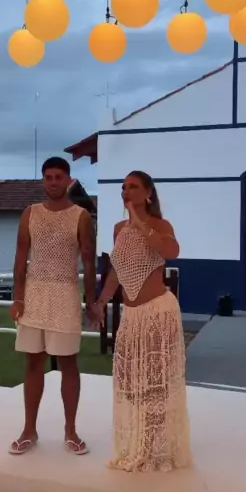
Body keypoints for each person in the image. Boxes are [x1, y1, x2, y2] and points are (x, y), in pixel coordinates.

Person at [94, 171, 192, 472]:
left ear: (148, 193)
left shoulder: (160, 225)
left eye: (133, 186)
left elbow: (172, 252)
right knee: (128, 380)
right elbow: (117, 271)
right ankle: (141, 439)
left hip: (157, 311)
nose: (126, 191)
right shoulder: (118, 229)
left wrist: (140, 223)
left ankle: (154, 447)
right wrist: (100, 302)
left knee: (155, 382)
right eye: (123, 187)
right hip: (131, 315)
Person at [9, 157, 97, 456]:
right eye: (48, 177)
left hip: (65, 295)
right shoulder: (30, 213)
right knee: (33, 363)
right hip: (34, 295)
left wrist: (91, 302)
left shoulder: (80, 216)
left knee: (68, 364)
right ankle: (28, 430)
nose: (53, 182)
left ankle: (71, 430)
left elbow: (89, 263)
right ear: (43, 180)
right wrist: (18, 298)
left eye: (59, 177)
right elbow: (20, 258)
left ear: (68, 180)